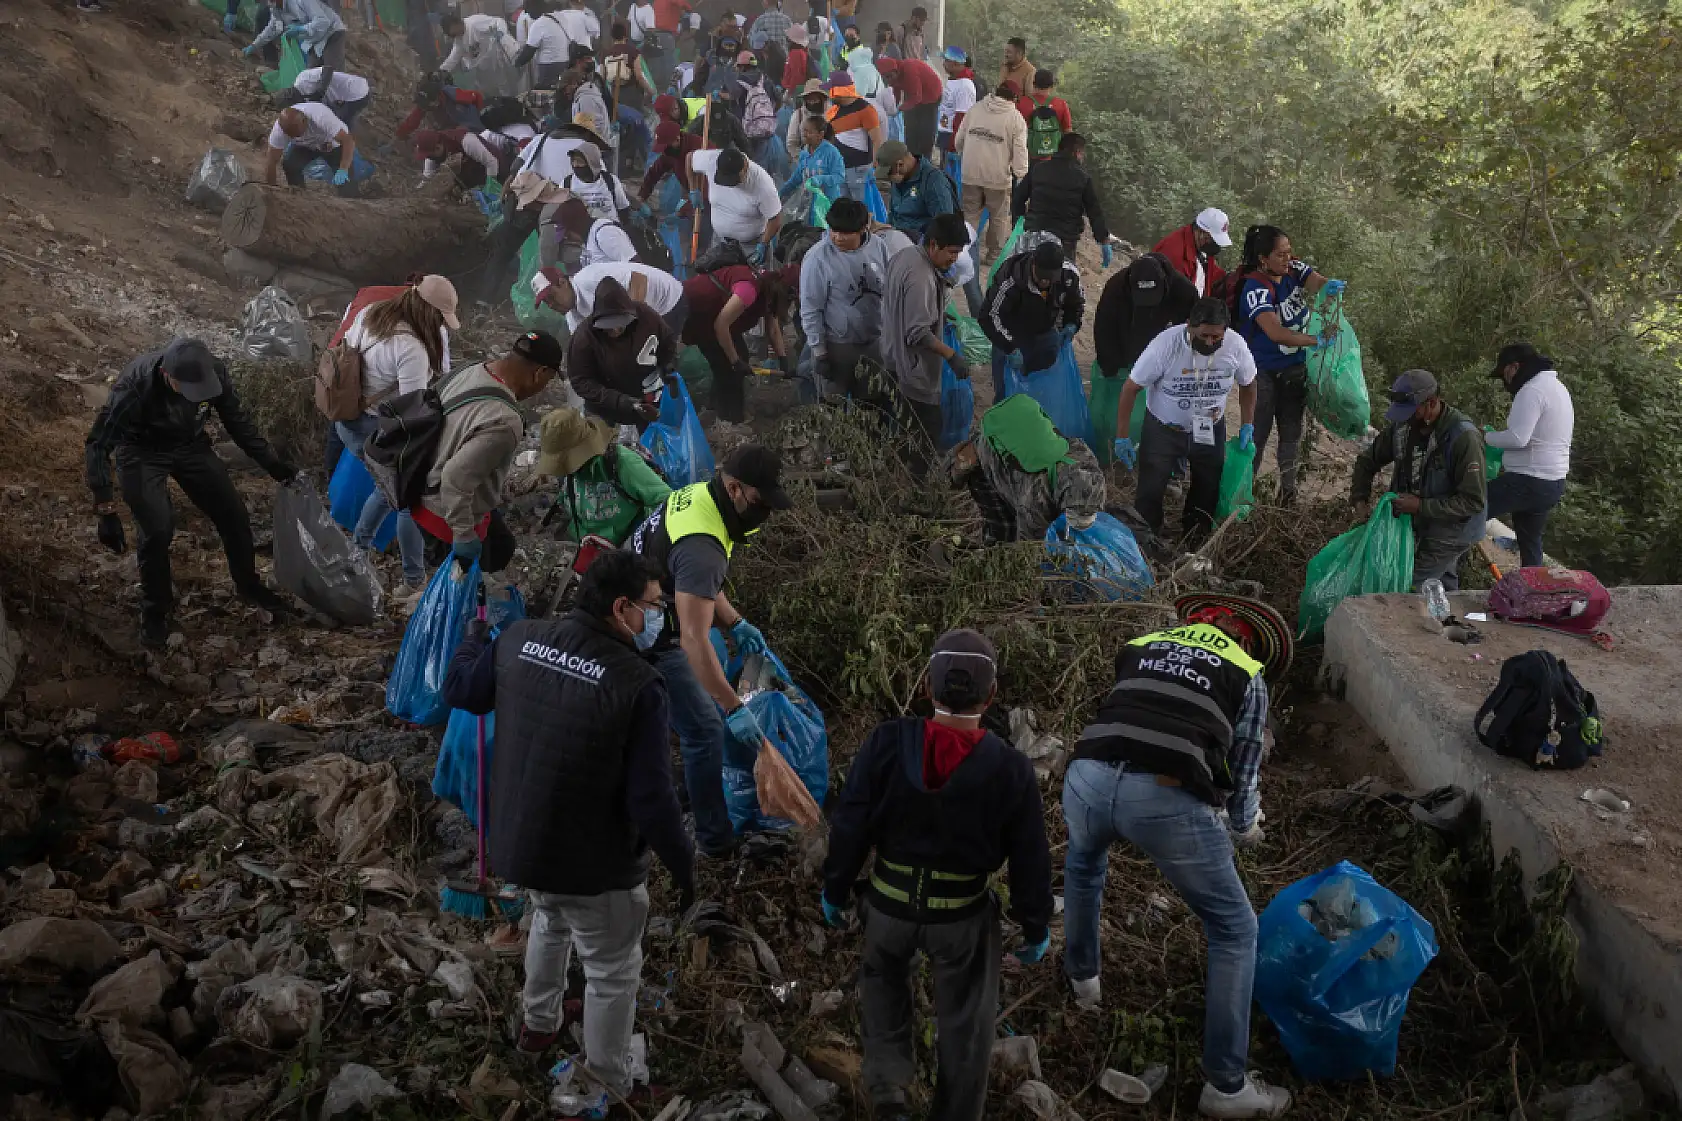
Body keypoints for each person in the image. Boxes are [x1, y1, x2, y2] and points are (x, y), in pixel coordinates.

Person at [441, 547, 693, 1114]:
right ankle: (608, 1082)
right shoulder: (639, 685)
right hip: (593, 865)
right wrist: (684, 866)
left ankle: (538, 1022)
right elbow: (653, 800)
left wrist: (474, 639)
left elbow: (461, 690)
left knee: (549, 918)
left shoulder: (519, 639)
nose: (659, 618)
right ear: (622, 608)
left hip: (522, 844)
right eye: (654, 607)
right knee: (610, 969)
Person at [1063, 593, 1296, 1121]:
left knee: (1083, 867)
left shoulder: (1140, 646)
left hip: (1087, 777)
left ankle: (1083, 981)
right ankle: (1226, 1086)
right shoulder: (1248, 673)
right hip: (1165, 797)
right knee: (1234, 930)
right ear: (1249, 640)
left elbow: (1130, 710)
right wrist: (1245, 829)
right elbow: (1244, 771)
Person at [822, 628, 1054, 1121]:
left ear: (927, 686)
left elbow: (850, 823)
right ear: (992, 696)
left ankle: (889, 1097)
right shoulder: (1010, 768)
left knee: (883, 992)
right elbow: (1031, 856)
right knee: (967, 1025)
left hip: (886, 907)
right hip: (962, 919)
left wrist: (835, 890)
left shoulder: (887, 741)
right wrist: (1034, 926)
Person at [626, 445, 792, 857]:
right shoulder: (704, 544)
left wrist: (734, 622)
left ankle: (677, 779)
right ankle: (714, 841)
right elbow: (693, 640)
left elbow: (694, 583)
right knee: (705, 730)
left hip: (636, 602)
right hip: (639, 630)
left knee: (690, 713)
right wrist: (734, 707)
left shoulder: (702, 496)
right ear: (735, 489)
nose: (764, 513)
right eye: (760, 502)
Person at [86, 340, 298, 648]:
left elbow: (237, 422)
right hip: (142, 451)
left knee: (234, 515)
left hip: (190, 446)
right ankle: (155, 608)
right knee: (157, 529)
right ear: (167, 375)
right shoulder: (134, 388)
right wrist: (105, 507)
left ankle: (249, 585)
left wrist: (271, 462)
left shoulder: (215, 375)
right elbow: (98, 444)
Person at [336, 278, 461, 607]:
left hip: (347, 418)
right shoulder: (412, 349)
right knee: (407, 496)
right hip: (374, 426)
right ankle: (413, 580)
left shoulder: (372, 313)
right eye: (440, 318)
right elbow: (413, 412)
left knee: (386, 489)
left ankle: (357, 554)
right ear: (428, 311)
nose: (439, 325)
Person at [414, 332, 565, 574]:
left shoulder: (473, 369)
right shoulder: (505, 420)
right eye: (547, 381)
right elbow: (454, 479)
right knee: (463, 592)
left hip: (423, 484)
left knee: (503, 546)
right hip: (444, 512)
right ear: (540, 373)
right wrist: (463, 536)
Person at [1116, 299, 1258, 539]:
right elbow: (1131, 388)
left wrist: (1247, 424)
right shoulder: (1165, 346)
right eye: (1204, 336)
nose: (1210, 342)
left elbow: (1249, 383)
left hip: (1209, 428)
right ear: (1189, 326)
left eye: (1217, 337)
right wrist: (1122, 436)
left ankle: (1194, 539)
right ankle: (1147, 541)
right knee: (1150, 489)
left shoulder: (1236, 346)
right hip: (1164, 430)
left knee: (1207, 487)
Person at [1232, 224, 1342, 504]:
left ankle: (1288, 496)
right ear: (1262, 258)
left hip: (1294, 366)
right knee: (1257, 435)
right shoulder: (1255, 288)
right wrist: (1315, 340)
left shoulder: (1292, 269)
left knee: (1291, 434)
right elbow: (1276, 332)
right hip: (1264, 370)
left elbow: (1315, 281)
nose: (1287, 258)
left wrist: (1327, 286)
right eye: (1280, 254)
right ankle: (1243, 496)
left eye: (1289, 252)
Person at [1349, 370, 1488, 590]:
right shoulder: (1402, 427)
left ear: (1431, 403)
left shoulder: (1463, 438)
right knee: (1442, 585)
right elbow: (1368, 460)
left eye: (1410, 413)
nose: (1404, 420)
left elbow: (1472, 502)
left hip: (1453, 530)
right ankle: (1446, 615)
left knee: (1408, 586)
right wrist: (1360, 499)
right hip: (1421, 523)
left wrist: (1420, 506)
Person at [882, 213, 972, 473]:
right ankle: (917, 490)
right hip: (913, 370)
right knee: (925, 433)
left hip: (891, 357)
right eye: (952, 252)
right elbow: (917, 332)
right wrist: (950, 355)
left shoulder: (905, 256)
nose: (954, 258)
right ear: (933, 245)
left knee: (902, 428)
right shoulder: (921, 277)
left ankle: (897, 476)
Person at [1092, 251, 1198, 464]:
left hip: (1165, 360)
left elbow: (1194, 333)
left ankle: (1161, 458)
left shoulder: (1184, 292)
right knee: (1114, 406)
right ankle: (1110, 450)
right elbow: (1103, 329)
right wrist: (1110, 364)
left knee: (1163, 412)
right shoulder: (1116, 287)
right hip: (1126, 351)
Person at [965, 394, 1105, 543]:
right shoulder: (1034, 500)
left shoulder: (1085, 457)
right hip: (989, 447)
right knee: (1003, 531)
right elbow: (1029, 551)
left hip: (1019, 423)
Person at [1482, 344, 1573, 568]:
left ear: (1514, 367)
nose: (1505, 381)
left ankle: (1444, 577)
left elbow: (1517, 438)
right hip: (1552, 483)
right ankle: (1533, 592)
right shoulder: (1556, 387)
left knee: (1468, 510)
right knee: (1530, 543)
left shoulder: (1531, 390)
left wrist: (1485, 437)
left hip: (1527, 480)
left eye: (1504, 374)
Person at [799, 197, 898, 399]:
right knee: (833, 407)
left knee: (871, 404)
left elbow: (890, 290)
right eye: (833, 230)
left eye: (845, 233)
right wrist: (819, 352)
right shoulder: (817, 258)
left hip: (874, 344)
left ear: (863, 229)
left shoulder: (878, 247)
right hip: (837, 347)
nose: (837, 238)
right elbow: (811, 309)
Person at [679, 262, 795, 422]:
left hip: (719, 319)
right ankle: (729, 419)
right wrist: (735, 361)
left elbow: (773, 329)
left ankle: (716, 408)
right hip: (699, 314)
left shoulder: (770, 290)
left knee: (740, 357)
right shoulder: (749, 289)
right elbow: (720, 325)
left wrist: (783, 360)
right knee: (728, 367)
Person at [536, 411, 672, 544]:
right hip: (589, 545)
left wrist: (637, 541)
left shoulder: (621, 462)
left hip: (629, 544)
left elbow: (666, 500)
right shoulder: (570, 476)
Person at [980, 239, 1084, 404]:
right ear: (1033, 264)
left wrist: (1071, 324)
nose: (1045, 282)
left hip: (1045, 332)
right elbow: (988, 316)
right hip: (1010, 335)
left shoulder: (1069, 275)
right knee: (1006, 392)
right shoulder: (1011, 276)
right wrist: (1010, 348)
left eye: (1050, 279)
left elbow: (1075, 303)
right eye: (1041, 277)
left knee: (1043, 389)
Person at [566, 277, 679, 428]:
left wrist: (668, 365)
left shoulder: (645, 316)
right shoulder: (584, 337)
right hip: (606, 409)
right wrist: (621, 401)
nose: (614, 330)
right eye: (608, 326)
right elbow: (581, 381)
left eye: (619, 324)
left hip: (647, 398)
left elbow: (667, 340)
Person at [954, 82, 1028, 266]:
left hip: (970, 172)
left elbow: (959, 138)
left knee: (970, 214)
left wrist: (962, 152)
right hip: (997, 178)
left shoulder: (976, 109)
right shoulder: (1016, 118)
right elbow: (1020, 151)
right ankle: (993, 255)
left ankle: (965, 251)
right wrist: (1021, 173)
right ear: (1015, 98)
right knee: (998, 217)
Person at [1010, 131, 1111, 263]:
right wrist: (1103, 239)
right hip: (1065, 240)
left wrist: (1019, 221)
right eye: (1082, 153)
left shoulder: (1039, 169)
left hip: (1034, 233)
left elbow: (1018, 197)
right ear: (1076, 152)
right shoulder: (1082, 178)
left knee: (1028, 273)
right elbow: (1094, 212)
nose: (1083, 157)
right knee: (1063, 278)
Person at [533, 259, 689, 334]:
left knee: (656, 362)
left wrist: (632, 325)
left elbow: (639, 280)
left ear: (562, 282)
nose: (551, 305)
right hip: (648, 310)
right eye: (547, 302)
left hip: (668, 299)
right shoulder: (574, 319)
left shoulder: (589, 278)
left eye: (552, 297)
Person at [688, 146, 784, 256]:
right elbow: (689, 158)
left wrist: (763, 244)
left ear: (743, 169)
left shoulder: (762, 184)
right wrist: (693, 189)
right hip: (720, 241)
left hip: (750, 246)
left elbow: (775, 218)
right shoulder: (711, 160)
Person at [263, 103, 359, 196]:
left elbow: (348, 141)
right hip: (305, 146)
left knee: (347, 186)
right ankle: (300, 195)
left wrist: (343, 168)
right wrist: (271, 190)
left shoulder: (320, 115)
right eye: (291, 135)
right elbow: (271, 161)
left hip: (332, 143)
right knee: (290, 165)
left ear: (305, 121)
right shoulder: (280, 131)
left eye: (298, 133)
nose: (295, 136)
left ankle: (352, 202)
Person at [243, 0, 347, 86]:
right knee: (310, 77)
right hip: (313, 39)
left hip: (332, 33)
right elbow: (272, 29)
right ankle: (313, 105)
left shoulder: (301, 1)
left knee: (332, 72)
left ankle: (340, 104)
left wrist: (301, 28)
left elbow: (323, 21)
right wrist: (254, 45)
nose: (268, 3)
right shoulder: (276, 9)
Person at [875, 139, 960, 241]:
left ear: (899, 165)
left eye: (889, 173)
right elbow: (893, 215)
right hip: (896, 238)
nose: (888, 178)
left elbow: (945, 224)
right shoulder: (899, 178)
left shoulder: (933, 181)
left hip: (920, 243)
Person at [824, 70, 885, 202]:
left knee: (862, 208)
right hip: (839, 169)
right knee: (844, 209)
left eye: (831, 90)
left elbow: (877, 140)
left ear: (839, 91)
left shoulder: (866, 110)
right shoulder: (835, 110)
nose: (829, 94)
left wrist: (874, 168)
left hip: (859, 169)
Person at [438, 12, 524, 98]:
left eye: (452, 33)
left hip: (495, 60)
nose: (453, 36)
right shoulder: (459, 39)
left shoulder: (474, 22)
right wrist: (442, 70)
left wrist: (501, 33)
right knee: (487, 92)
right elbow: (453, 57)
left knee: (504, 87)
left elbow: (498, 21)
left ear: (455, 24)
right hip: (482, 69)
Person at [517, 0, 598, 87]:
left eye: (527, 9)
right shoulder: (562, 18)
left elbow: (528, 52)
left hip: (549, 68)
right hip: (565, 63)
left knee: (548, 94)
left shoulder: (539, 24)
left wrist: (516, 64)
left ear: (535, 6)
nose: (526, 13)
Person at [1155, 208, 1232, 299]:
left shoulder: (1202, 247)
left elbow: (1211, 272)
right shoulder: (1174, 255)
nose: (1217, 245)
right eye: (1214, 240)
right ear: (1201, 233)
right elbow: (1175, 298)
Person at [876, 56, 940, 158]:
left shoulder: (910, 70)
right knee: (910, 130)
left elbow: (916, 97)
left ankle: (925, 159)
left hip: (931, 95)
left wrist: (899, 109)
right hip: (913, 93)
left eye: (890, 76)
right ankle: (911, 156)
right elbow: (896, 91)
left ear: (896, 71)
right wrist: (894, 106)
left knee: (925, 131)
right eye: (885, 77)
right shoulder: (893, 77)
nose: (889, 80)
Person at [780, 114, 845, 211]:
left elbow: (839, 176)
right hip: (808, 204)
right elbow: (796, 178)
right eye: (803, 131)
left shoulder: (831, 152)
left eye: (809, 132)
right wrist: (781, 192)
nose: (804, 134)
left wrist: (820, 179)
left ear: (820, 134)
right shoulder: (804, 153)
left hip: (828, 204)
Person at [1017, 69, 1071, 163]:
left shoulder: (1021, 103)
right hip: (1052, 159)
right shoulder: (1061, 104)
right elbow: (1068, 132)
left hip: (1027, 158)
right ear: (1052, 86)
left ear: (1033, 84)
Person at [291, 66, 372, 129]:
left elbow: (327, 70)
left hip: (358, 93)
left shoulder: (302, 79)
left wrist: (320, 91)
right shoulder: (303, 102)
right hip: (342, 98)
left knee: (342, 125)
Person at [936, 47, 977, 166]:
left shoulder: (965, 86)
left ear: (955, 63)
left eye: (946, 61)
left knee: (951, 175)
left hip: (952, 137)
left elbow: (962, 117)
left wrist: (954, 144)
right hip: (945, 133)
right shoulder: (953, 80)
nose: (943, 64)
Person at [783, 79, 828, 163]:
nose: (812, 102)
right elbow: (791, 143)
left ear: (822, 99)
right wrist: (803, 160)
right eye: (809, 99)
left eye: (815, 100)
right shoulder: (798, 115)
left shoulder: (830, 114)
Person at [781, 23, 815, 92]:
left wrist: (790, 91)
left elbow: (796, 75)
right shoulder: (801, 52)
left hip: (795, 90)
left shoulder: (795, 54)